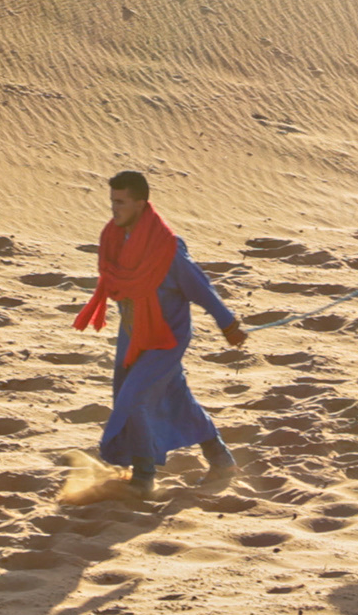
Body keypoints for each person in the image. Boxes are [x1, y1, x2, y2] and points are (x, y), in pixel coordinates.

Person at [71, 170, 245, 496]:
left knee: (134, 398)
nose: (114, 209)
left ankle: (143, 476)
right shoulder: (113, 239)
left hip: (167, 338)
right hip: (133, 334)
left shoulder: (167, 251)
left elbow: (201, 289)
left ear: (141, 203)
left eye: (121, 203)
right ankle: (221, 459)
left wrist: (229, 325)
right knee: (177, 397)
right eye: (112, 202)